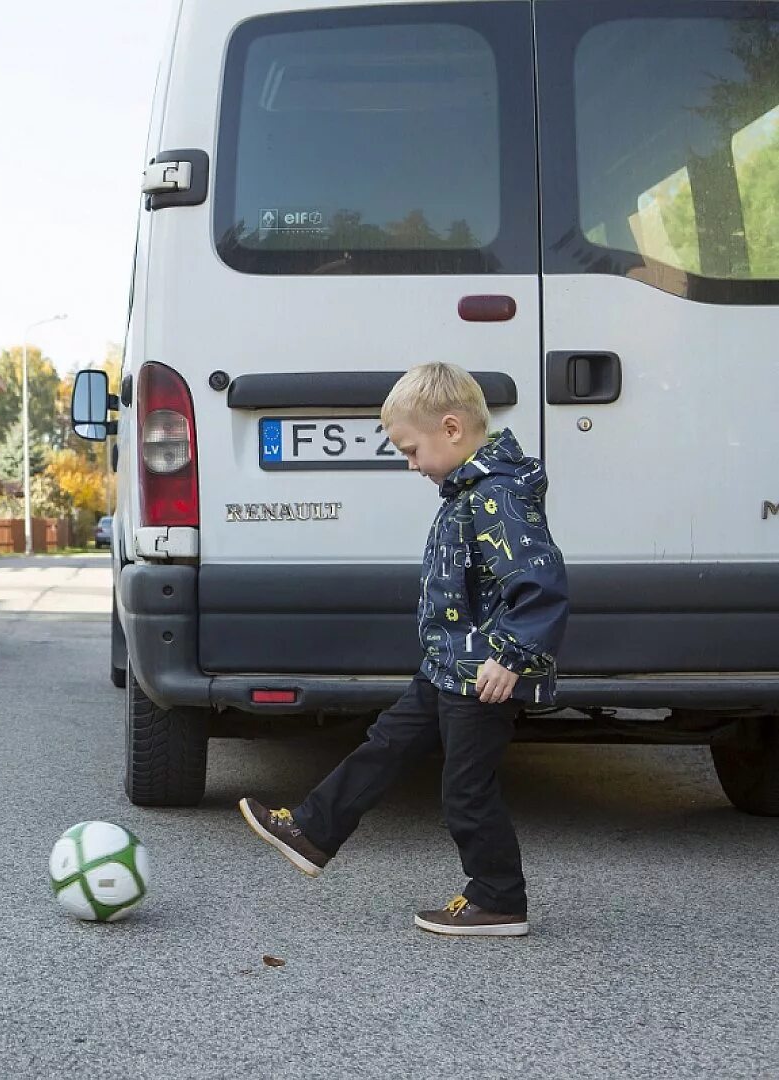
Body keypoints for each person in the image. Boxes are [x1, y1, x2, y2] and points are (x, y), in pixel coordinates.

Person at [239, 362, 569, 937]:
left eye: (412, 451)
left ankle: (498, 898)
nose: (412, 466)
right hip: (449, 663)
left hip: (482, 673)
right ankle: (313, 830)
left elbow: (539, 583)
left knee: (466, 790)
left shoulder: (498, 497)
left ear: (451, 428)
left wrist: (512, 656)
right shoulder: (470, 488)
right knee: (386, 744)